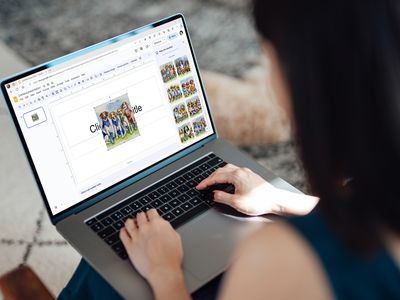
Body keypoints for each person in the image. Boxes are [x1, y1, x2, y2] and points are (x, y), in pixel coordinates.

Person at [60, 0, 400, 299]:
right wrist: (279, 199)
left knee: (111, 268)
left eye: (270, 58)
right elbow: (363, 215)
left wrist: (166, 276)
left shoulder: (284, 259)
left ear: (306, 78)